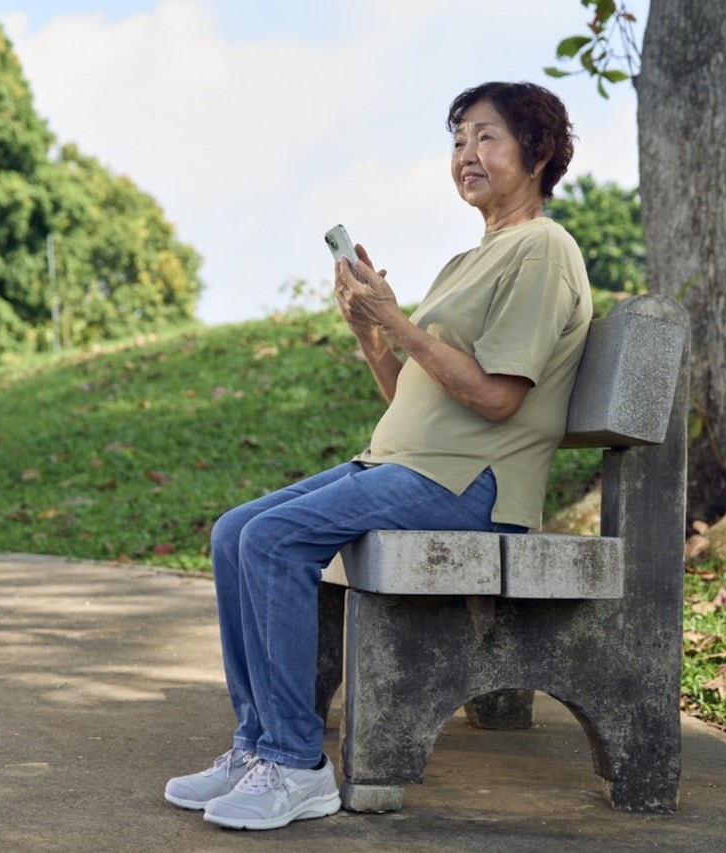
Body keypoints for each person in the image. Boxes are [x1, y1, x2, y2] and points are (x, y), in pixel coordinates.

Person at [165, 80, 593, 831]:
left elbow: (498, 400)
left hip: (472, 484)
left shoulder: (543, 249)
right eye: (458, 138)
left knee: (272, 540)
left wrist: (399, 320)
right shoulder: (471, 259)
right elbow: (409, 398)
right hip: (405, 464)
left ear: (541, 152)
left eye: (487, 136)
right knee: (235, 530)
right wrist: (373, 333)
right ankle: (257, 744)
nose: (467, 153)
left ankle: (298, 764)